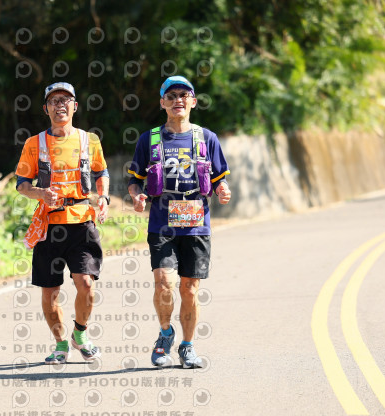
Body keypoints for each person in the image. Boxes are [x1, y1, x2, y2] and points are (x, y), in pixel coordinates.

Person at [127, 76, 231, 368]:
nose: (178, 100)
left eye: (184, 95)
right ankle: (164, 335)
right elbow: (134, 181)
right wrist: (136, 196)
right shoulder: (149, 139)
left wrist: (223, 189)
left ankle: (187, 346)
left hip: (196, 223)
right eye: (171, 96)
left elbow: (219, 178)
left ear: (193, 102)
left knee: (189, 289)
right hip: (162, 222)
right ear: (162, 103)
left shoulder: (207, 138)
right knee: (164, 283)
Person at [15, 82, 110, 364]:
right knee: (50, 292)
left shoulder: (89, 140)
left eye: (66, 100)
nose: (60, 105)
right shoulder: (34, 144)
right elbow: (22, 184)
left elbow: (101, 172)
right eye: (54, 101)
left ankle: (80, 334)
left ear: (75, 106)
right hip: (49, 226)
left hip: (82, 223)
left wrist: (103, 197)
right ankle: (60, 344)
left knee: (86, 284)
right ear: (46, 109)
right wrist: (40, 193)